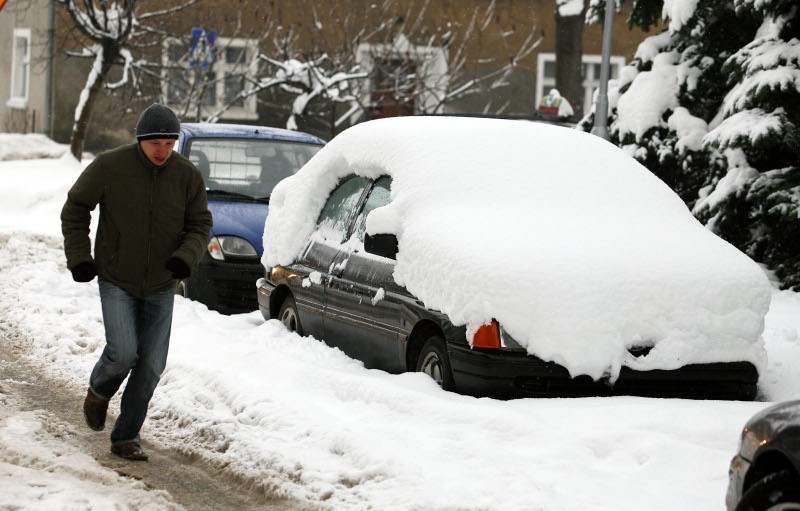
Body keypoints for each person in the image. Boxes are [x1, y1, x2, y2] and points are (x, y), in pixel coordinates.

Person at [60, 103, 212, 461]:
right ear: (141, 140)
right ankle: (99, 390)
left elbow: (200, 225)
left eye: (169, 144)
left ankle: (126, 437)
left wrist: (185, 257)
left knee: (150, 367)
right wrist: (81, 258)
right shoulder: (110, 166)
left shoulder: (186, 175)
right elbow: (76, 208)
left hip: (161, 282)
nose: (162, 151)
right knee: (123, 353)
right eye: (155, 143)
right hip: (117, 278)